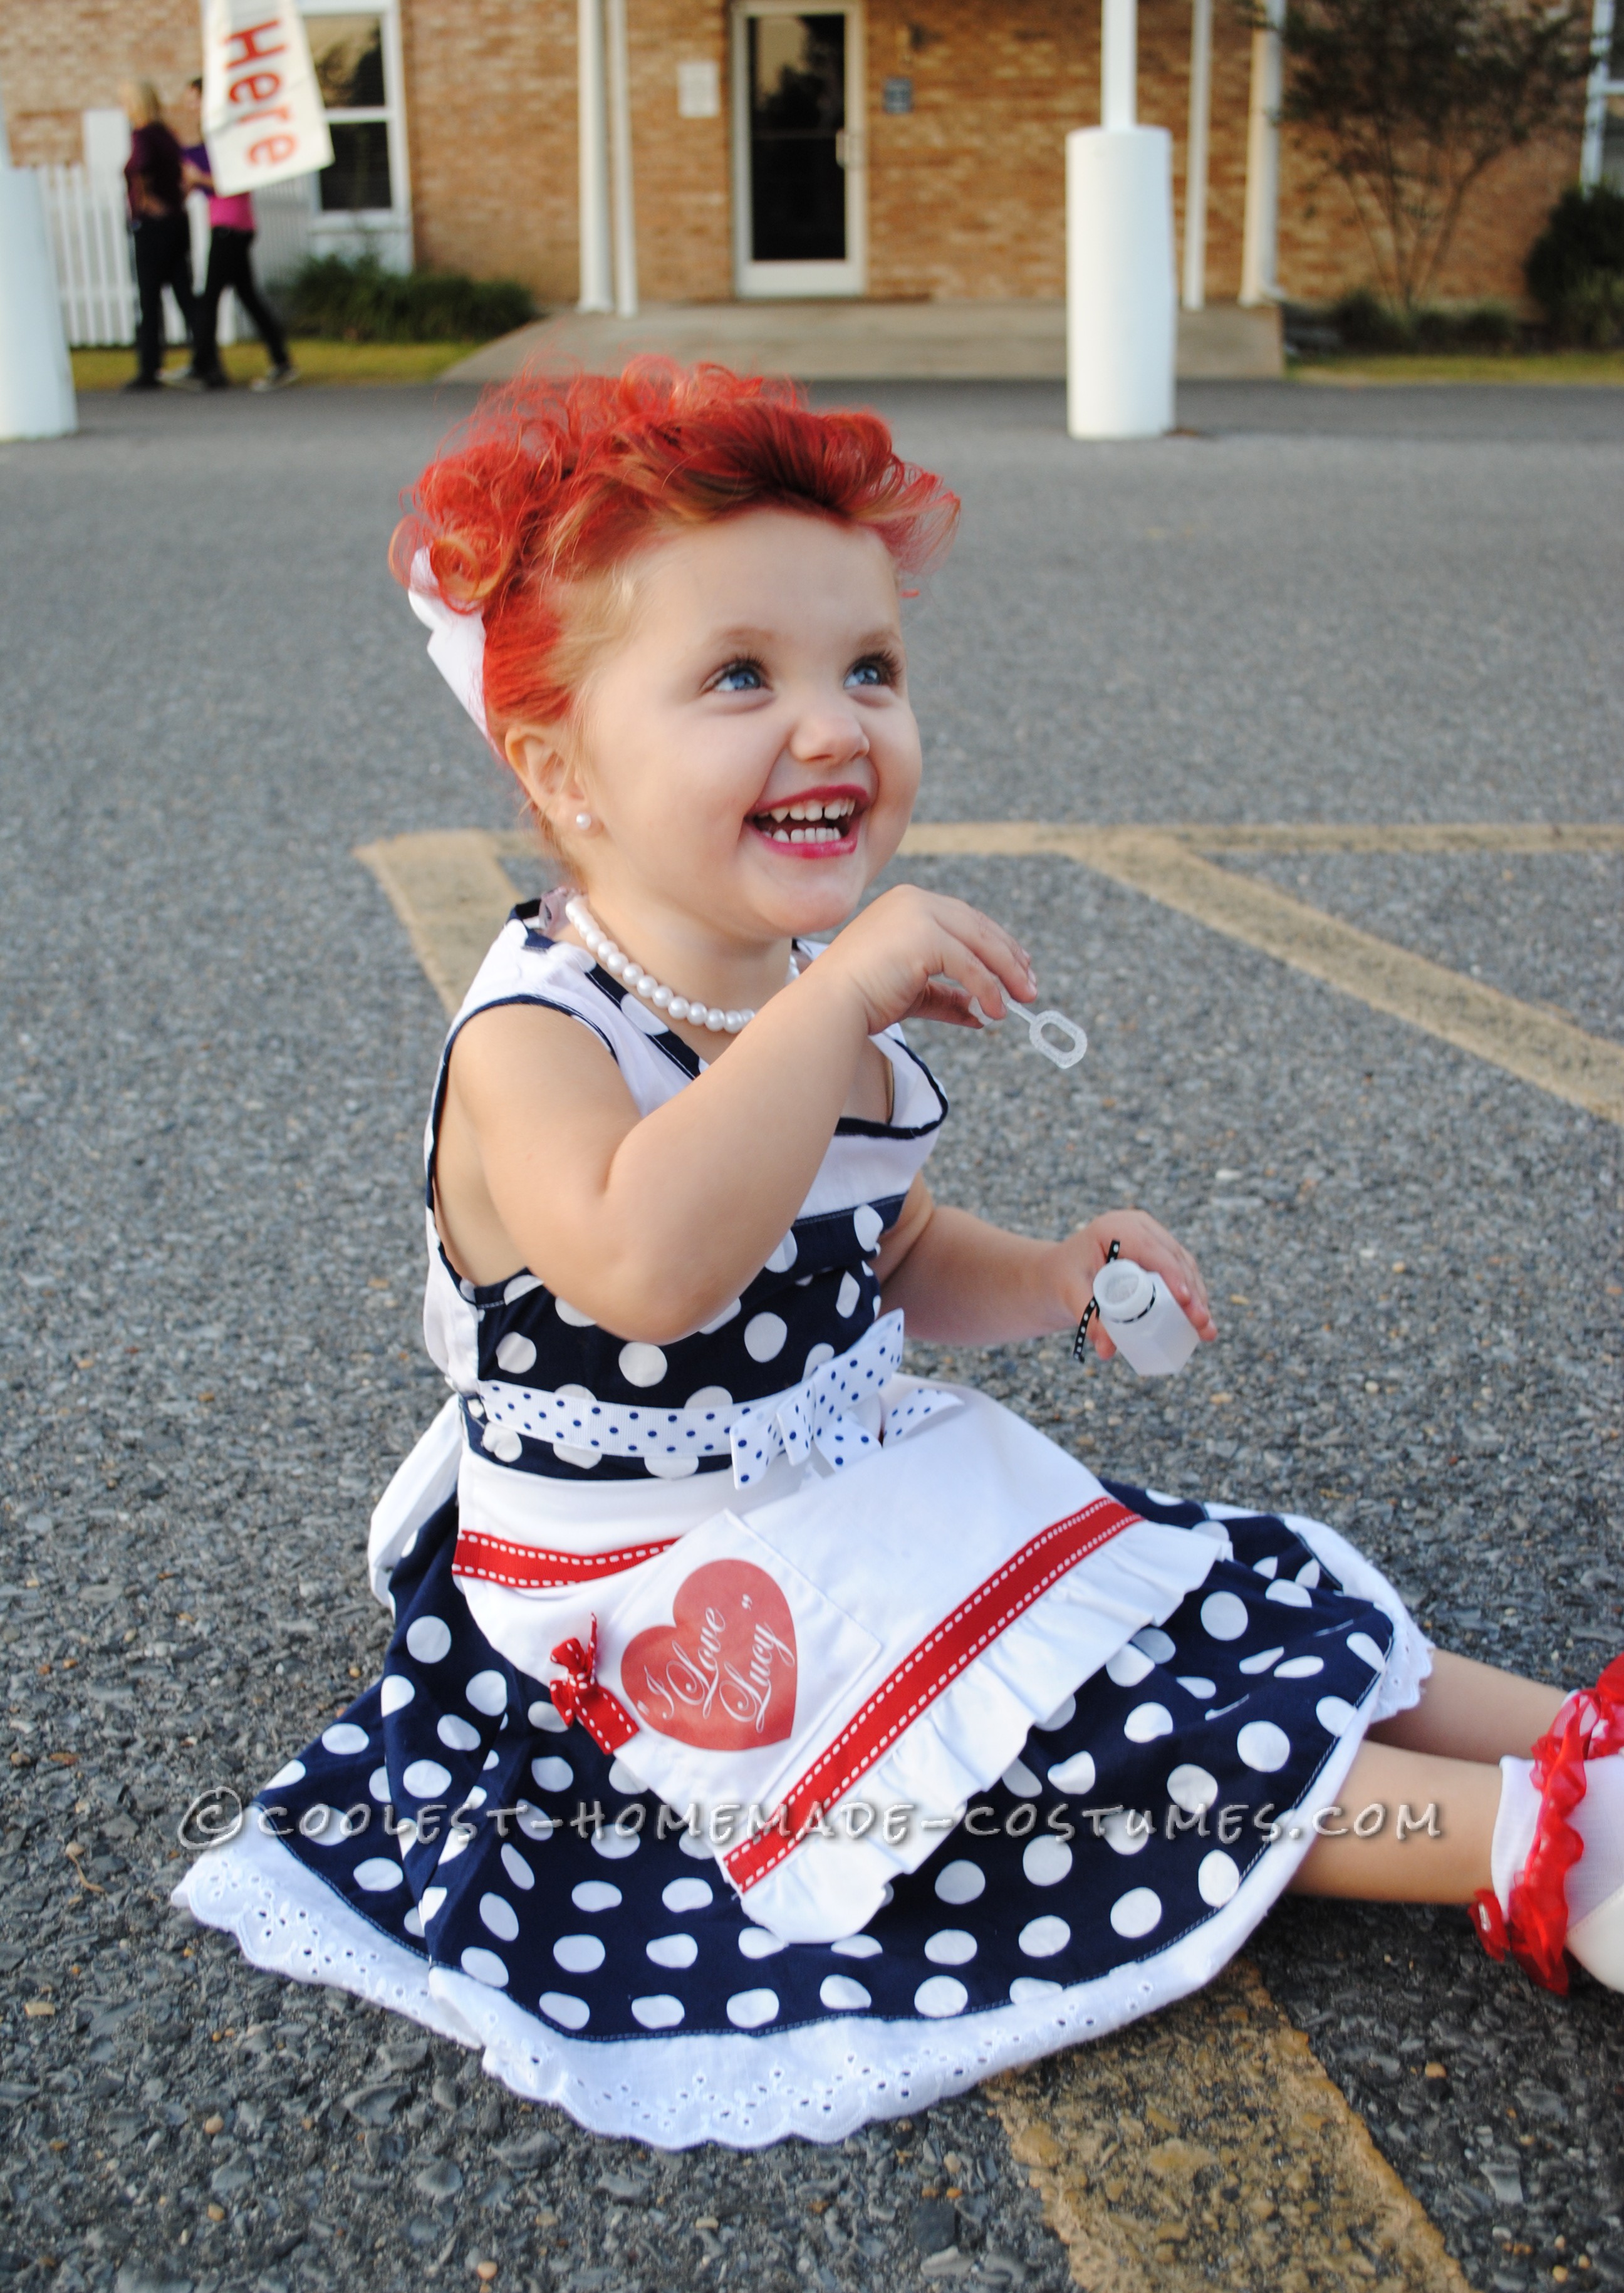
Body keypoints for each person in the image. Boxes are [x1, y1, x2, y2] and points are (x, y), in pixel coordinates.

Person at [175, 365, 1624, 2150]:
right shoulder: (537, 1037)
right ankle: (1532, 1844)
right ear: (561, 772)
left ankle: (1581, 1733)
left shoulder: (787, 990)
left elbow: (889, 1247)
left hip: (848, 1484)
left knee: (1189, 1596)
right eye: (739, 677)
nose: (834, 724)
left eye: (868, 668)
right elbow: (647, 1266)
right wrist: (848, 991)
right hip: (649, 1579)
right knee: (1064, 1764)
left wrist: (1055, 1271)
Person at [174, 78, 298, 395]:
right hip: (233, 223)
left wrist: (199, 177)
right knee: (247, 297)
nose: (190, 106)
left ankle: (204, 368)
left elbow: (233, 180)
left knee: (210, 297)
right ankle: (281, 361)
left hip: (230, 226)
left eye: (194, 99)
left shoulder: (228, 137)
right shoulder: (214, 140)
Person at [119, 81, 197, 392]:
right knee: (184, 293)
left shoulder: (142, 136)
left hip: (154, 226)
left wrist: (147, 204)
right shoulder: (167, 135)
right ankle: (207, 358)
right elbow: (181, 173)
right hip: (178, 223)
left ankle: (149, 367)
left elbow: (140, 170)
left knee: (149, 298)